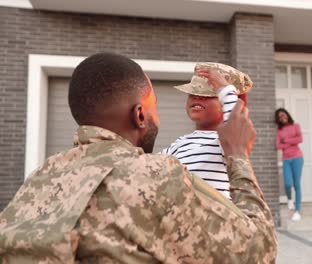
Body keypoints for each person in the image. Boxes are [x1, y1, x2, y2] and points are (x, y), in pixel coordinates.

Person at [0, 53, 277, 263]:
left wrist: (227, 94)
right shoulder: (157, 175)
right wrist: (238, 155)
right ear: (140, 115)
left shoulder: (40, 177)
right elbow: (260, 250)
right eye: (153, 105)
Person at [161, 63, 252, 199]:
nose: (197, 97)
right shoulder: (179, 143)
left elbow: (236, 122)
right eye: (192, 93)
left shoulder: (225, 142)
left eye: (208, 94)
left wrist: (225, 89)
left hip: (218, 218)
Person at [275, 108, 304, 221]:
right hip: (286, 159)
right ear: (278, 120)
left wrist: (286, 141)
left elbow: (300, 139)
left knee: (296, 184)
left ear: (287, 115)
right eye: (280, 117)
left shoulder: (296, 126)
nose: (283, 117)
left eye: (284, 115)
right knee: (287, 184)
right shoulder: (279, 131)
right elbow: (278, 146)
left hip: (297, 157)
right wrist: (292, 140)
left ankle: (297, 211)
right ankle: (290, 199)